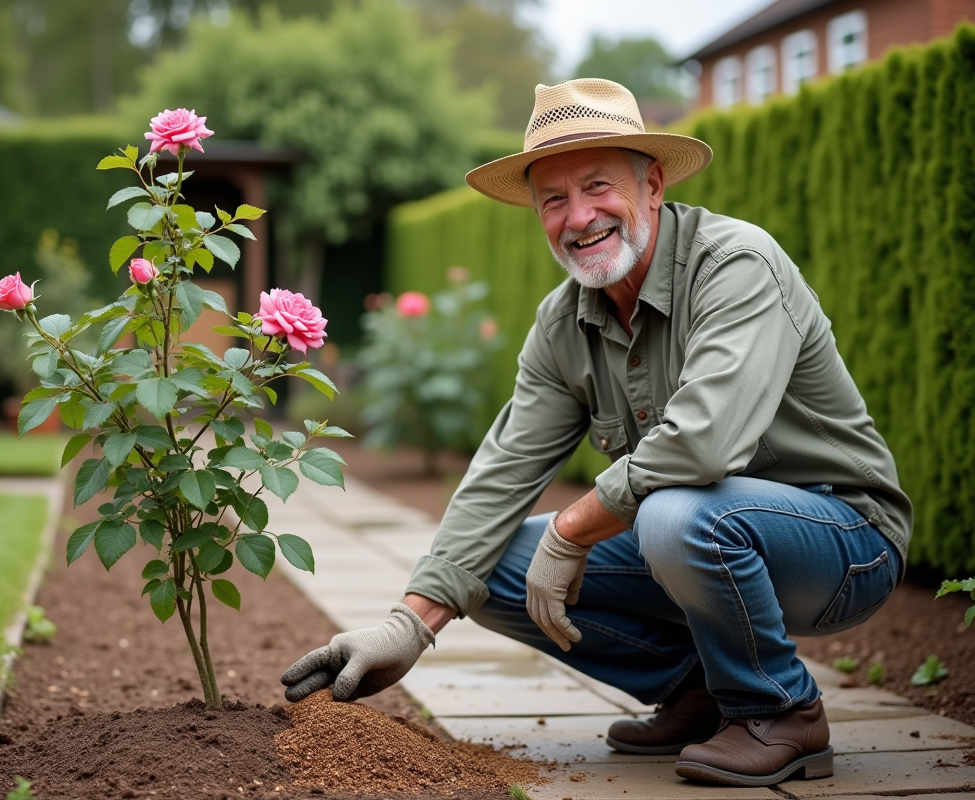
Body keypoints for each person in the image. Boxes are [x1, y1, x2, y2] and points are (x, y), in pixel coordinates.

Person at [280, 79, 912, 789]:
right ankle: (700, 691)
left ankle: (782, 712)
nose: (578, 217)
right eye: (554, 199)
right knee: (489, 564)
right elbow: (504, 469)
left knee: (673, 514)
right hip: (707, 537)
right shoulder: (563, 324)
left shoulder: (736, 265)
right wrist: (410, 622)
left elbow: (701, 445)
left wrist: (572, 530)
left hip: (844, 541)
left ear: (653, 185)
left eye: (598, 186)